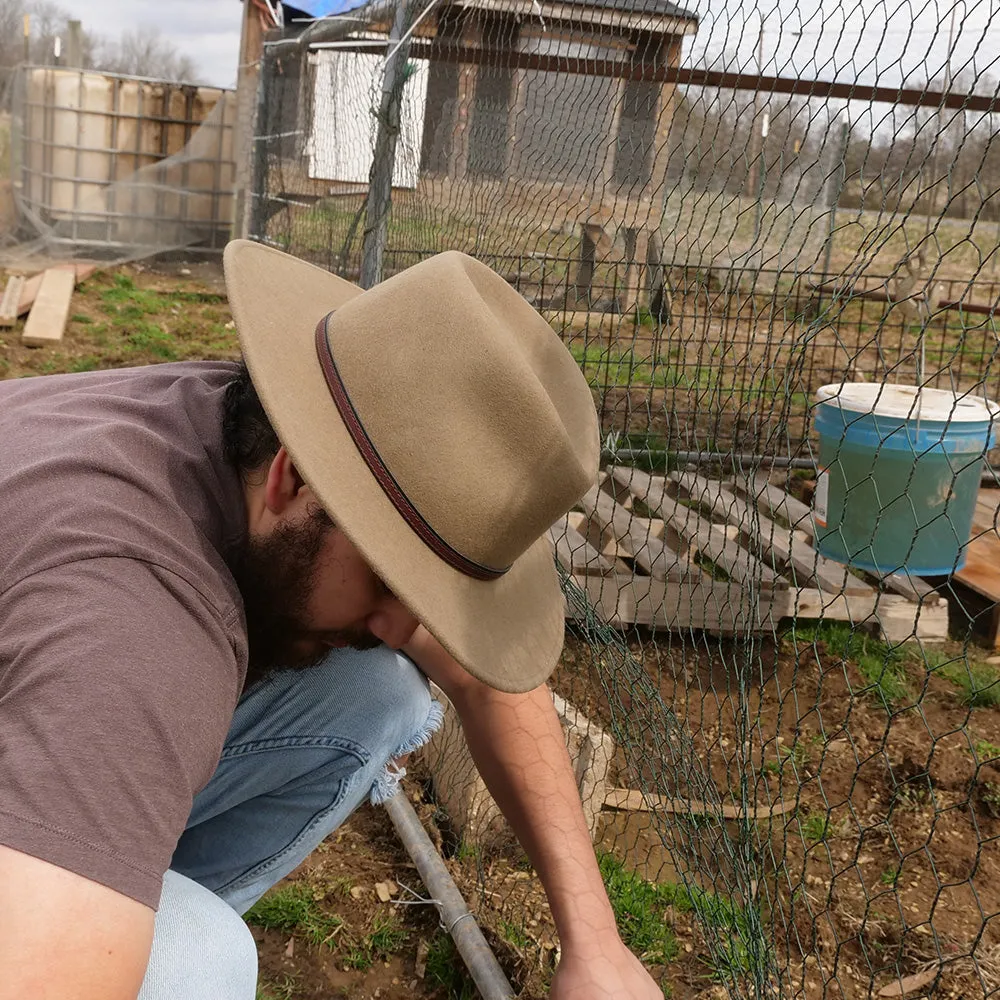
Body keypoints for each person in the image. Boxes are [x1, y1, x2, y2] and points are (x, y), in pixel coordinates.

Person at [0, 242, 661, 999]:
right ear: (293, 476)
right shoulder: (141, 630)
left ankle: (102, 888)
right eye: (390, 573)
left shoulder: (231, 424)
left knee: (378, 694)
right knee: (201, 959)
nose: (399, 625)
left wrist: (596, 943)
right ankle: (99, 905)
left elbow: (485, 683)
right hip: (84, 690)